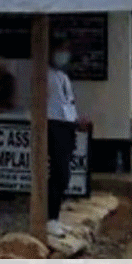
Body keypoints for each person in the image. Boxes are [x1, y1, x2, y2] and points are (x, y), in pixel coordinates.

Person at [46, 37, 89, 237]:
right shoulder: (44, 75)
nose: (64, 55)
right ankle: (49, 218)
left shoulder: (62, 76)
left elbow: (67, 105)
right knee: (58, 173)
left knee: (64, 175)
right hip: (53, 124)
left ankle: (55, 217)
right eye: (60, 50)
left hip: (66, 126)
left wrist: (77, 121)